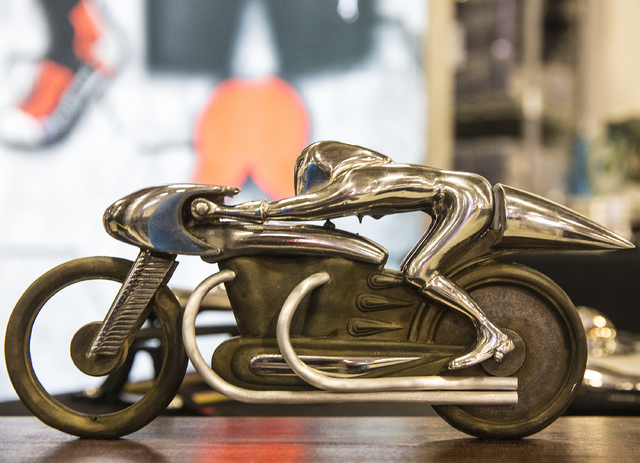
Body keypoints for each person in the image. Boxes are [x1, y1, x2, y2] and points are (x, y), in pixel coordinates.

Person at [192, 140, 514, 369]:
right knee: (416, 270)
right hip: (465, 194)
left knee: (419, 270)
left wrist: (224, 211)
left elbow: (301, 208)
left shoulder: (355, 181)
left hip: (467, 200)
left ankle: (490, 333)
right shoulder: (368, 174)